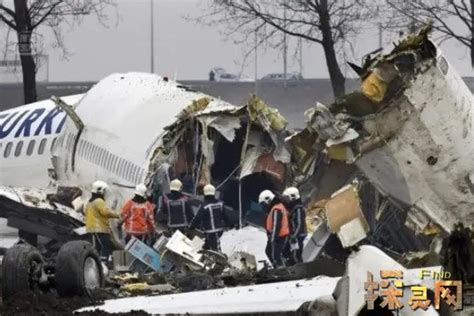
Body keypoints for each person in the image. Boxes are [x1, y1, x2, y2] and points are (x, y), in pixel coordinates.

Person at [190, 184, 232, 251]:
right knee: (208, 246)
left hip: (211, 232)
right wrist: (230, 225)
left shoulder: (204, 206)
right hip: (220, 230)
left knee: (216, 250)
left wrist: (192, 227)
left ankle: (217, 260)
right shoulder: (220, 204)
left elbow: (197, 218)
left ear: (205, 194)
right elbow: (225, 216)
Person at [85, 180, 120, 258]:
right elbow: (105, 212)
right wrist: (118, 215)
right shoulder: (99, 201)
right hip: (100, 229)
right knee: (106, 246)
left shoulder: (90, 202)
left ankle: (100, 263)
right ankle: (104, 262)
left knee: (98, 247)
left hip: (91, 229)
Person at [259, 189, 290, 268]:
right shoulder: (275, 207)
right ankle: (278, 268)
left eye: (263, 203)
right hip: (277, 236)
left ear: (268, 199)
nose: (264, 206)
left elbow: (276, 225)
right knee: (269, 252)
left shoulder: (276, 209)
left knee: (276, 255)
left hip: (279, 236)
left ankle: (282, 270)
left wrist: (273, 238)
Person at [282, 187, 307, 264]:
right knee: (290, 253)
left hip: (298, 235)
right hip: (294, 234)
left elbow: (300, 224)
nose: (286, 200)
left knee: (296, 254)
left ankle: (301, 271)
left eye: (287, 198)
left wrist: (294, 236)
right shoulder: (293, 208)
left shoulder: (298, 209)